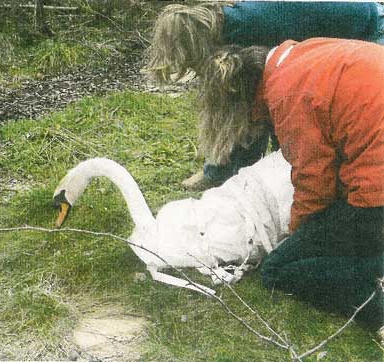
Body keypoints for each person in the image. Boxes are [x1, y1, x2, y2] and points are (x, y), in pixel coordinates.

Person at [198, 37, 384, 338]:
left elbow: (316, 185)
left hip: (378, 195)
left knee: (278, 269)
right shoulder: (302, 55)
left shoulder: (287, 95)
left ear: (240, 93)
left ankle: (376, 302)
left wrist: (296, 235)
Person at [145, 1, 384, 190]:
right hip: (340, 39)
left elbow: (285, 95)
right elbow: (250, 110)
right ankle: (223, 171)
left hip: (369, 31)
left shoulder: (255, 23)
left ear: (196, 43)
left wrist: (291, 154)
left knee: (335, 123)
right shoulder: (229, 27)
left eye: (192, 62)